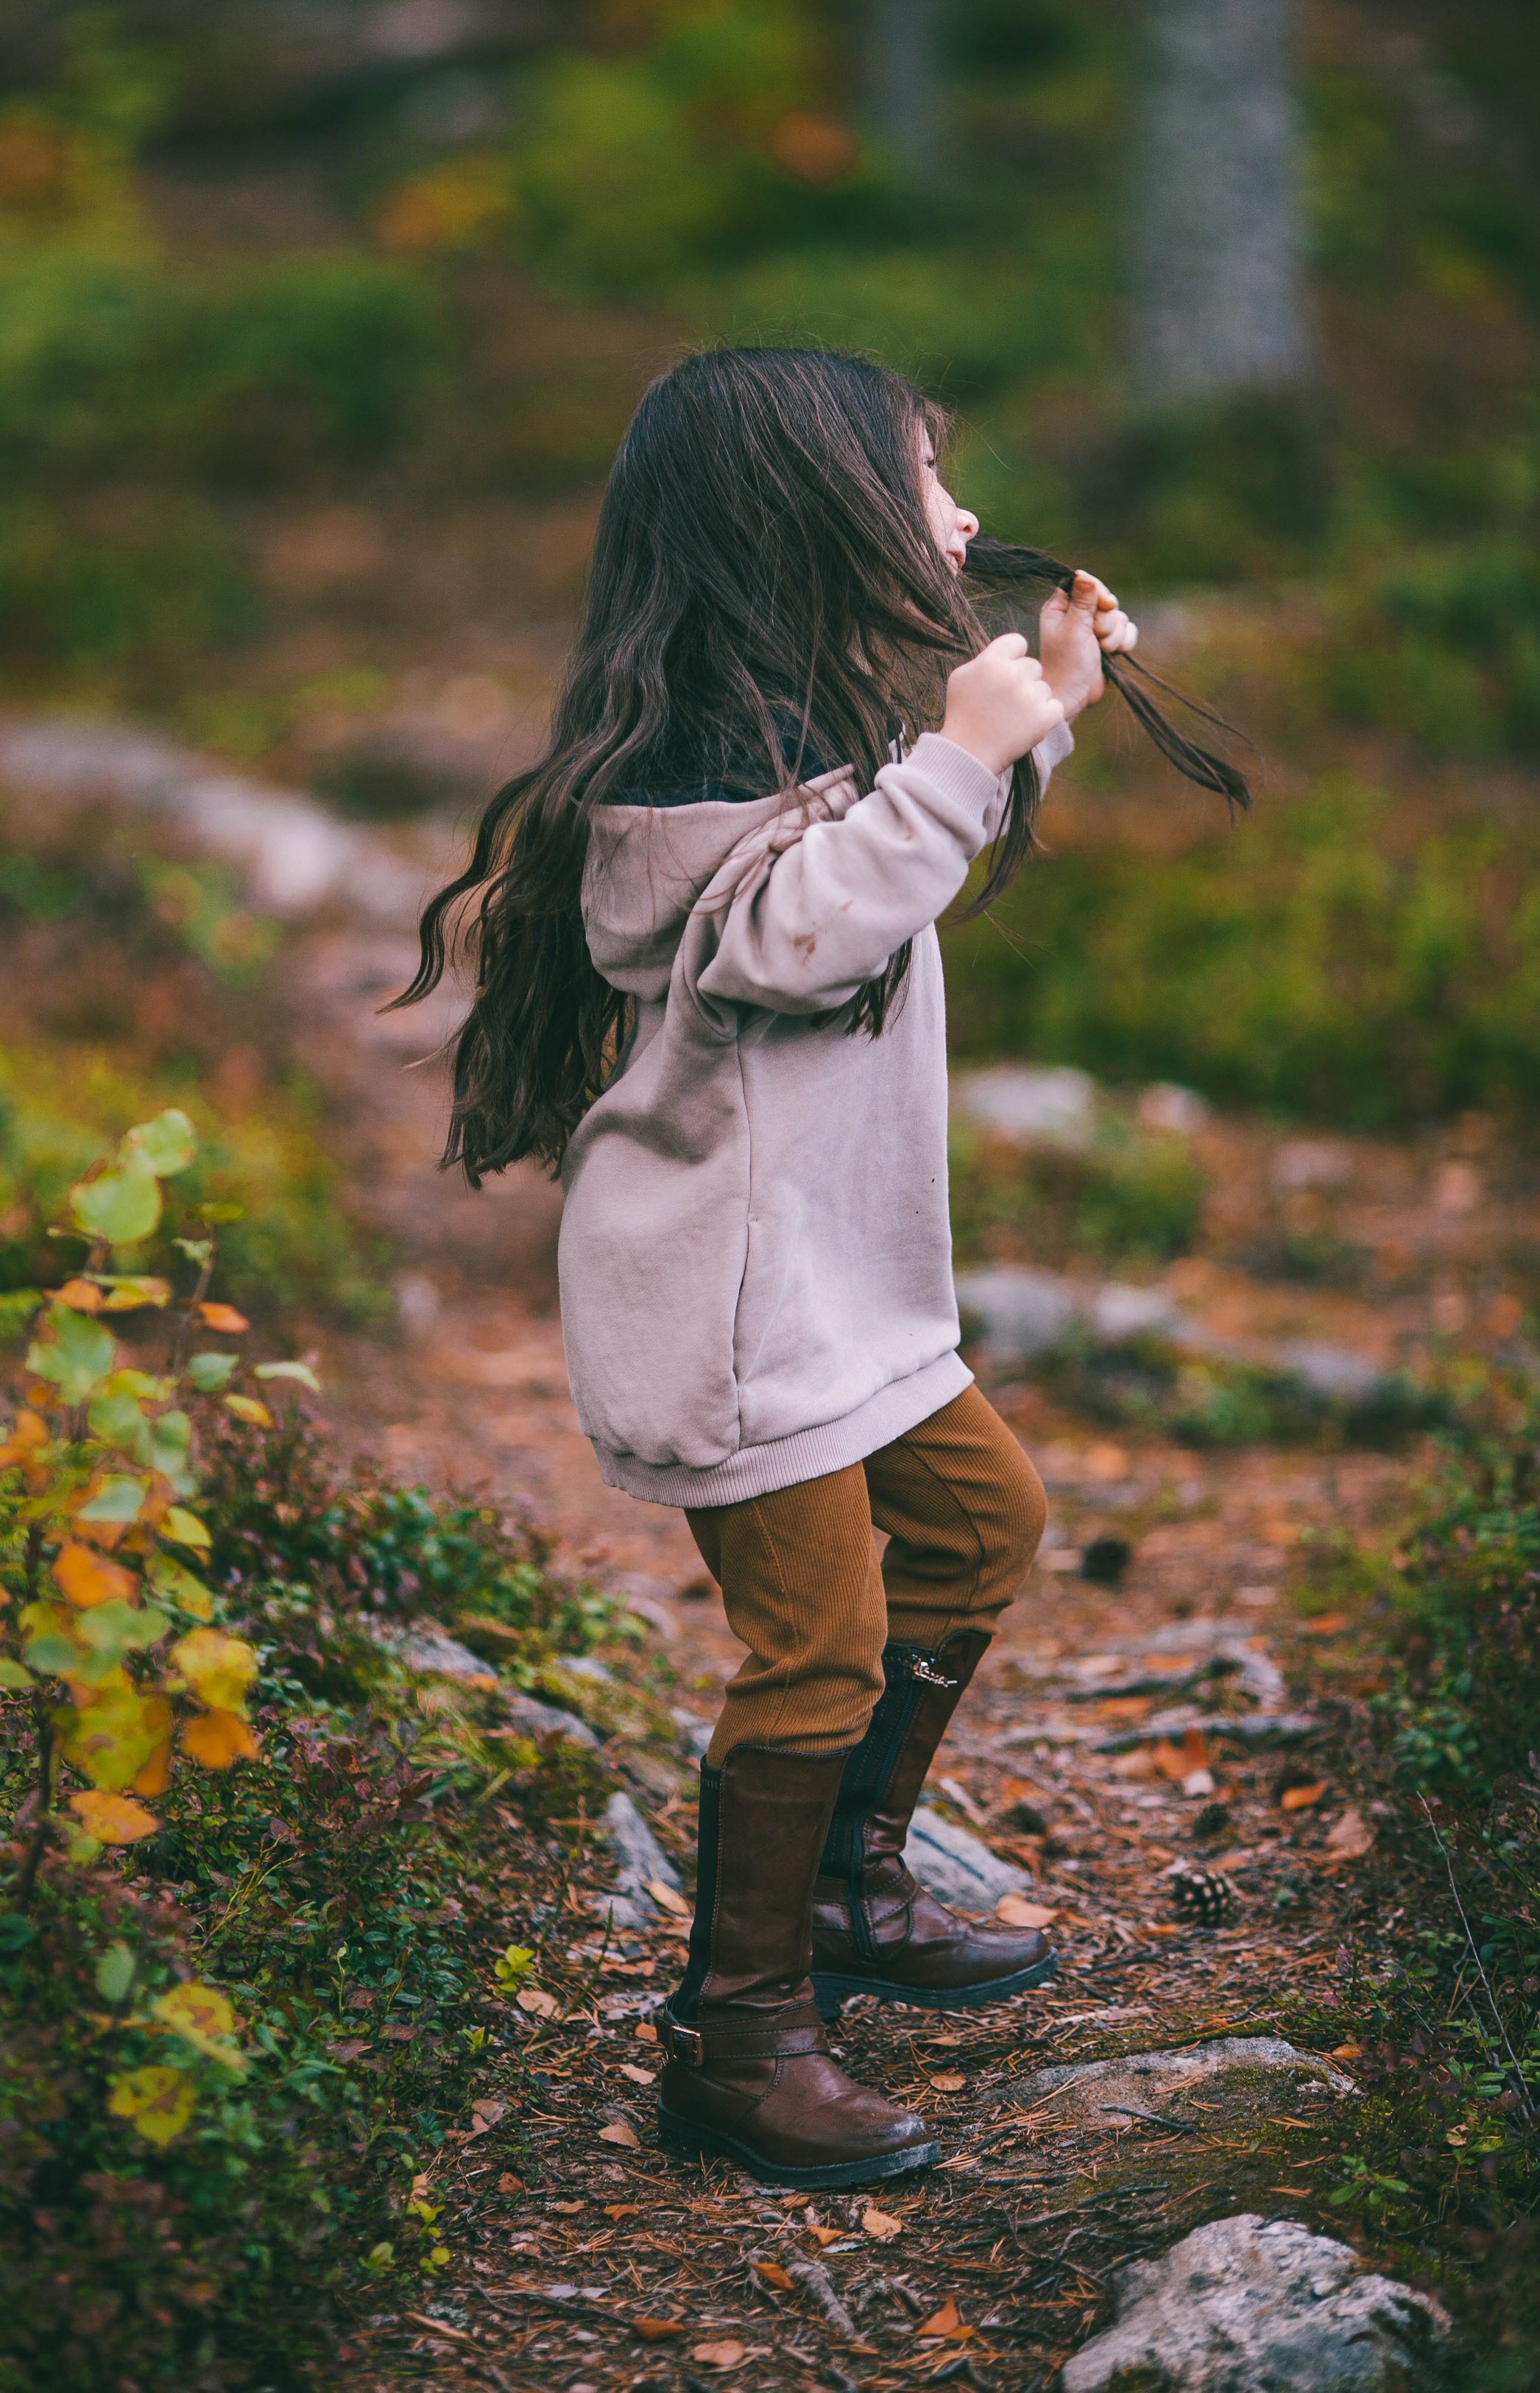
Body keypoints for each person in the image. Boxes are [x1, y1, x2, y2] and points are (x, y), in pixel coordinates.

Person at [398, 347, 1137, 2191]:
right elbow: (797, 938)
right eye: (924, 480)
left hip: (839, 1290)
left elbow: (882, 865)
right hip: (730, 1307)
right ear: (809, 513)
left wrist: (1036, 713)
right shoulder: (683, 782)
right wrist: (963, 753)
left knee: (980, 1526)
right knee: (814, 1652)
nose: (961, 515)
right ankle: (734, 2040)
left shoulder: (794, 724)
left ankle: (842, 1884)